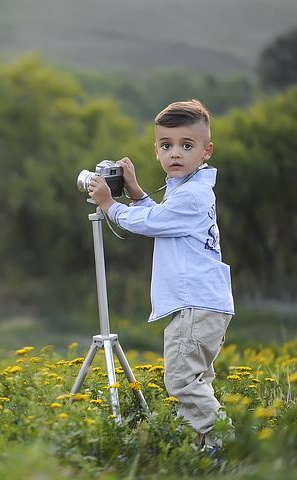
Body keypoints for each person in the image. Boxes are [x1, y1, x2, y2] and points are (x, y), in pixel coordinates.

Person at [88, 100, 234, 451]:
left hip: (195, 304)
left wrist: (110, 205)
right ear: (156, 150)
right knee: (196, 379)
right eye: (166, 145)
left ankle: (225, 444)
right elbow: (163, 218)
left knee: (183, 381)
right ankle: (203, 447)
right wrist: (136, 193)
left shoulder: (193, 196)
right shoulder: (185, 189)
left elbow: (152, 224)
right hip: (204, 303)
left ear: (206, 151)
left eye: (187, 145)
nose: (175, 154)